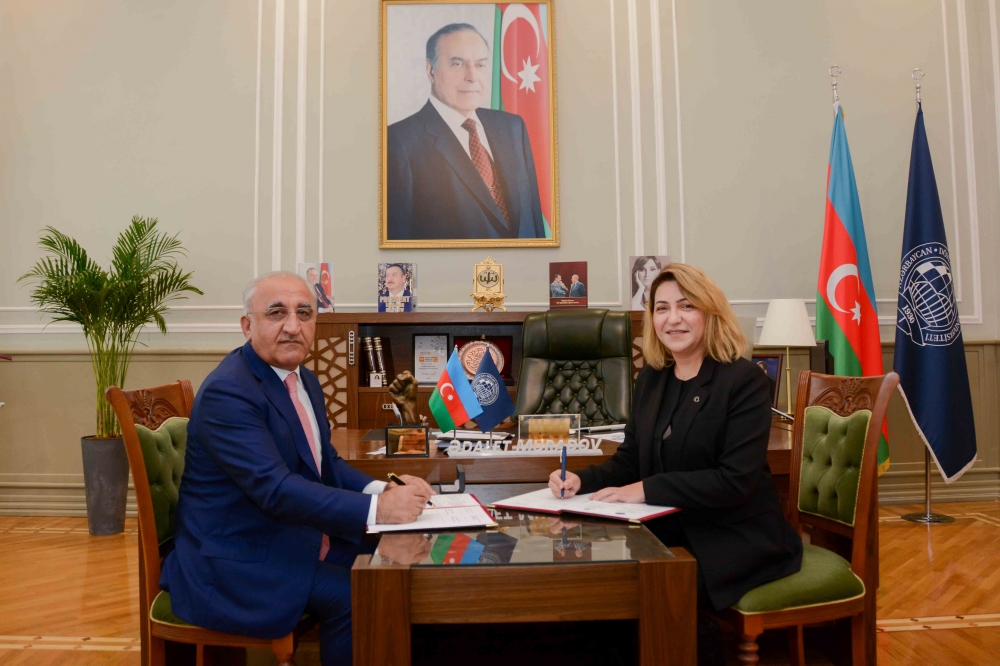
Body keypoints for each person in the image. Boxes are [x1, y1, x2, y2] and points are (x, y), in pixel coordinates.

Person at [160, 271, 435, 664]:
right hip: (238, 559)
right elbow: (275, 489)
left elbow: (326, 463)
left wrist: (385, 489)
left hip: (290, 536)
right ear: (247, 326)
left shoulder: (302, 378)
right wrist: (380, 510)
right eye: (277, 313)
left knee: (403, 564)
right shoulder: (229, 392)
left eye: (304, 313)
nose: (293, 326)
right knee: (358, 595)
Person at [548, 263, 802, 615]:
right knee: (601, 584)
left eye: (686, 306)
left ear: (710, 312)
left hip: (733, 534)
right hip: (667, 524)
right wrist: (581, 480)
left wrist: (646, 489)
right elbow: (631, 459)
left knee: (660, 590)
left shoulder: (744, 381)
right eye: (662, 308)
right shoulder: (652, 378)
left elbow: (735, 481)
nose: (673, 319)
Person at [386, 23, 546, 241]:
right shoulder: (399, 142)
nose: (472, 76)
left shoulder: (512, 127)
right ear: (430, 70)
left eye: (480, 65)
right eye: (458, 64)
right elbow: (398, 243)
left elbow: (534, 222)